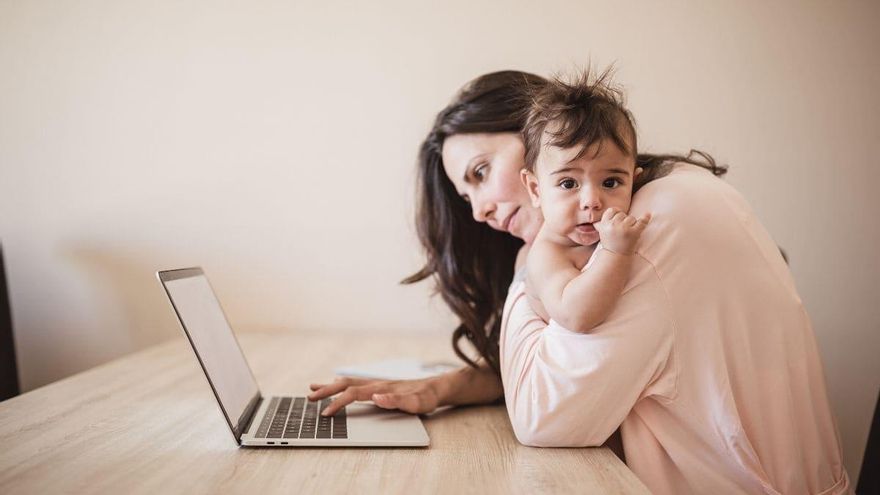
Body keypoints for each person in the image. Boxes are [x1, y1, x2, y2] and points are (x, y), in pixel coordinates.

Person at [309, 70, 851, 494]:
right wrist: (446, 387)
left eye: (479, 173)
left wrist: (534, 255)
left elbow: (547, 417)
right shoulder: (630, 215)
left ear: (537, 134)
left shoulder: (651, 223)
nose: (477, 211)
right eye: (464, 195)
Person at [519, 70, 652, 332]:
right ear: (535, 190)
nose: (591, 201)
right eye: (568, 184)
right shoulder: (547, 254)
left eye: (611, 182)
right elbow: (576, 316)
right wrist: (616, 252)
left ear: (634, 182)